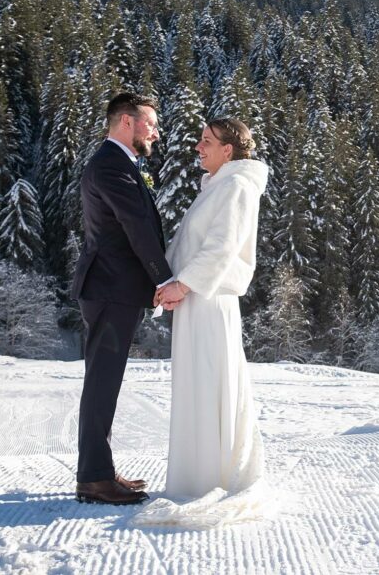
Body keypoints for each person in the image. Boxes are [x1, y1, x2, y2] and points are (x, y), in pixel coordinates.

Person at [134, 117, 270, 528]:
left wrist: (184, 285)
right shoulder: (217, 185)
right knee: (197, 385)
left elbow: (222, 247)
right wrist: (166, 283)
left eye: (207, 141)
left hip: (211, 301)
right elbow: (189, 245)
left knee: (210, 384)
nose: (198, 147)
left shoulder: (236, 185)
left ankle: (212, 477)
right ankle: (198, 475)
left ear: (228, 150)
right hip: (198, 298)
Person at [69, 92, 173, 505]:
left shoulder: (118, 163)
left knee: (105, 382)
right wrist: (165, 280)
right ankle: (94, 478)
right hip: (110, 289)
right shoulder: (111, 164)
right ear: (126, 121)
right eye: (151, 123)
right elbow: (136, 226)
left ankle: (99, 469)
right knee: (102, 382)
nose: (156, 133)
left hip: (113, 289)